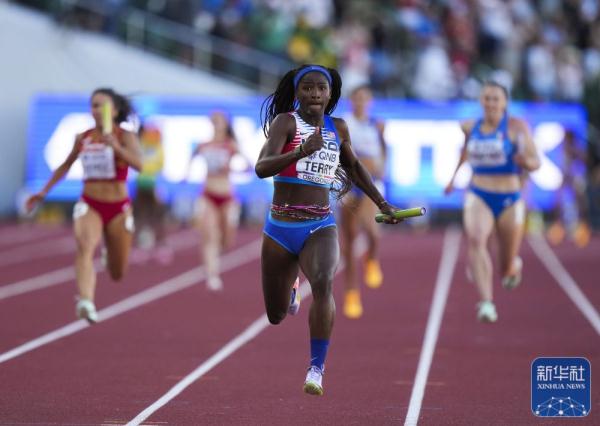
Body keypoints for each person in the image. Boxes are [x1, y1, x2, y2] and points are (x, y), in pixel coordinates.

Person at [255, 64, 401, 396]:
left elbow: (355, 167)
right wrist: (301, 150)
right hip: (280, 227)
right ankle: (291, 285)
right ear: (297, 93)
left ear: (330, 94)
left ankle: (316, 368)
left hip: (320, 223)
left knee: (323, 283)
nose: (315, 94)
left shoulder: (339, 128)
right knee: (276, 315)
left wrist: (382, 203)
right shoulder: (286, 123)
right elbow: (261, 167)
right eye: (308, 88)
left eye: (321, 88)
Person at [26, 88, 141, 324]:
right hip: (90, 203)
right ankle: (86, 300)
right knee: (84, 247)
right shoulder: (83, 137)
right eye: (93, 105)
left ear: (115, 110)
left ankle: (110, 249)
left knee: (118, 273)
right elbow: (65, 165)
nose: (96, 110)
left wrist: (117, 148)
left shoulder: (124, 136)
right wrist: (43, 192)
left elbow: (140, 165)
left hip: (118, 207)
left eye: (101, 105)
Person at [445, 81, 540, 323]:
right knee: (476, 240)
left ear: (505, 103)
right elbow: (464, 151)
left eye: (496, 99)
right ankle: (486, 303)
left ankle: (512, 265)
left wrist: (524, 162)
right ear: (481, 101)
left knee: (505, 267)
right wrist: (453, 178)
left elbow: (536, 162)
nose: (491, 103)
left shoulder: (517, 127)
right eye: (487, 98)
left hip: (510, 198)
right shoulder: (469, 126)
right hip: (479, 193)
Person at [339, 84, 387, 319]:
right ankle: (351, 293)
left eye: (364, 98)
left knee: (373, 231)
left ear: (370, 101)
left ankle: (372, 258)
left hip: (369, 184)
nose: (360, 102)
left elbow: (382, 153)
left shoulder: (376, 125)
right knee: (349, 243)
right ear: (351, 101)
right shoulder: (343, 124)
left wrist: (382, 168)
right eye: (356, 98)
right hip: (349, 185)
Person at [188, 111, 241, 291]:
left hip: (227, 196)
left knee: (227, 239)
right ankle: (212, 274)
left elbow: (250, 166)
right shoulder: (204, 145)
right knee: (209, 235)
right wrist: (186, 174)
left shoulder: (231, 145)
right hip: (208, 194)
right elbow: (192, 156)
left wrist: (233, 169)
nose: (216, 124)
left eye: (219, 121)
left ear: (226, 124)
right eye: (214, 121)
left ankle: (220, 250)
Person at [133, 121, 173, 263]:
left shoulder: (158, 147)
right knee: (140, 216)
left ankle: (161, 246)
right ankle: (140, 246)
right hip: (141, 184)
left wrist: (159, 187)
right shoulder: (140, 145)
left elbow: (160, 168)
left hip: (154, 185)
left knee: (158, 217)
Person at [545, 129, 591, 247]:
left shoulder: (575, 148)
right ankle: (558, 227)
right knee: (558, 200)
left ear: (569, 138)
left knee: (580, 201)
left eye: (565, 137)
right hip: (565, 177)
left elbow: (584, 159)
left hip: (574, 178)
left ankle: (582, 227)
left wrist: (574, 154)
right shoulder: (563, 147)